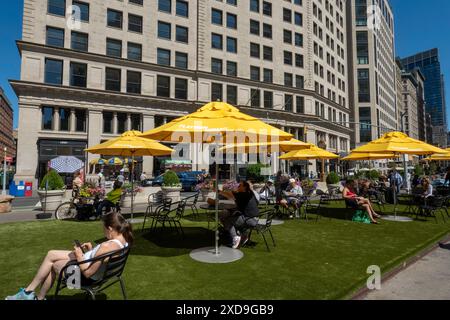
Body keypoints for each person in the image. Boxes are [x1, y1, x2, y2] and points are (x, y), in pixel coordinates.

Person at [5, 212, 132, 300]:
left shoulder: (106, 247)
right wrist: (92, 250)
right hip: (97, 271)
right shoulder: (124, 242)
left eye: (103, 229)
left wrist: (79, 255)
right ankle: (32, 293)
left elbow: (88, 273)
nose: (103, 232)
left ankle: (31, 294)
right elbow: (102, 259)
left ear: (110, 228)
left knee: (53, 264)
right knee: (51, 254)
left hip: (84, 278)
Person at [219, 181, 260, 249]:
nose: (238, 186)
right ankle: (243, 236)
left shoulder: (243, 194)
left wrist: (218, 191)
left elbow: (229, 195)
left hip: (250, 220)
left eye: (239, 185)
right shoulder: (250, 193)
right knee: (233, 216)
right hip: (255, 218)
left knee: (226, 220)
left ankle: (235, 237)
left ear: (244, 187)